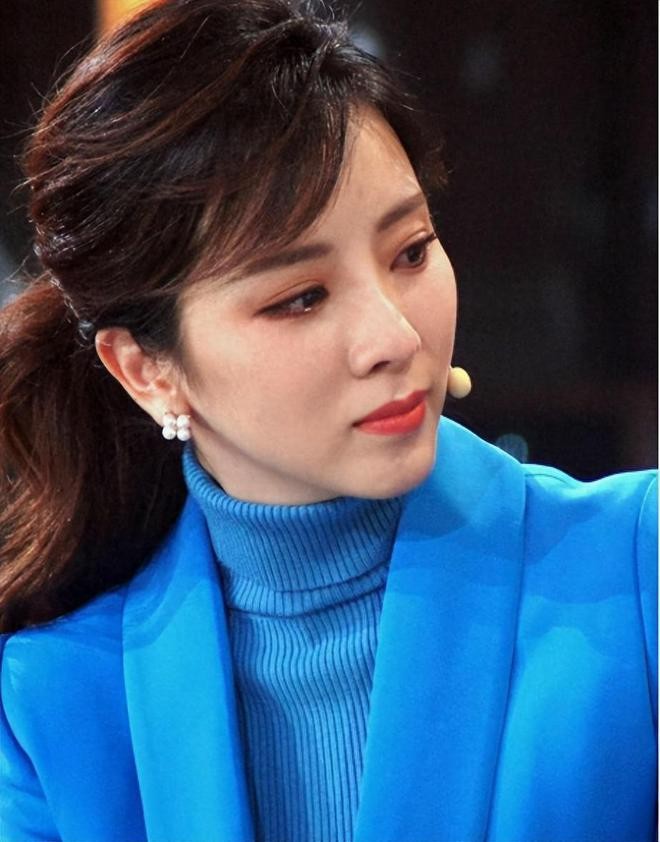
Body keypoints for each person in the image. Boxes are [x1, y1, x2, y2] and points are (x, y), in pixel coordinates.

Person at [0, 1, 656, 841]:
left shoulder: (636, 569)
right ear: (147, 370)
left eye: (411, 251)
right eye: (301, 298)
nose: (396, 337)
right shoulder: (54, 699)